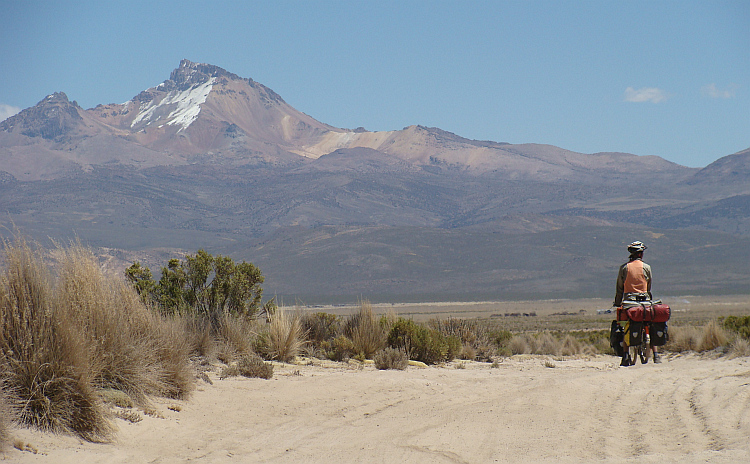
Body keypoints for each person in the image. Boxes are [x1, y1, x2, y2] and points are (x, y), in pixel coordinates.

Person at [613, 241, 661, 365]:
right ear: (641, 254)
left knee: (626, 327)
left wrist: (618, 302)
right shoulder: (647, 267)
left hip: (630, 302)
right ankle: (656, 355)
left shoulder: (624, 268)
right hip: (645, 301)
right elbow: (649, 286)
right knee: (650, 323)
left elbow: (619, 287)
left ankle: (625, 356)